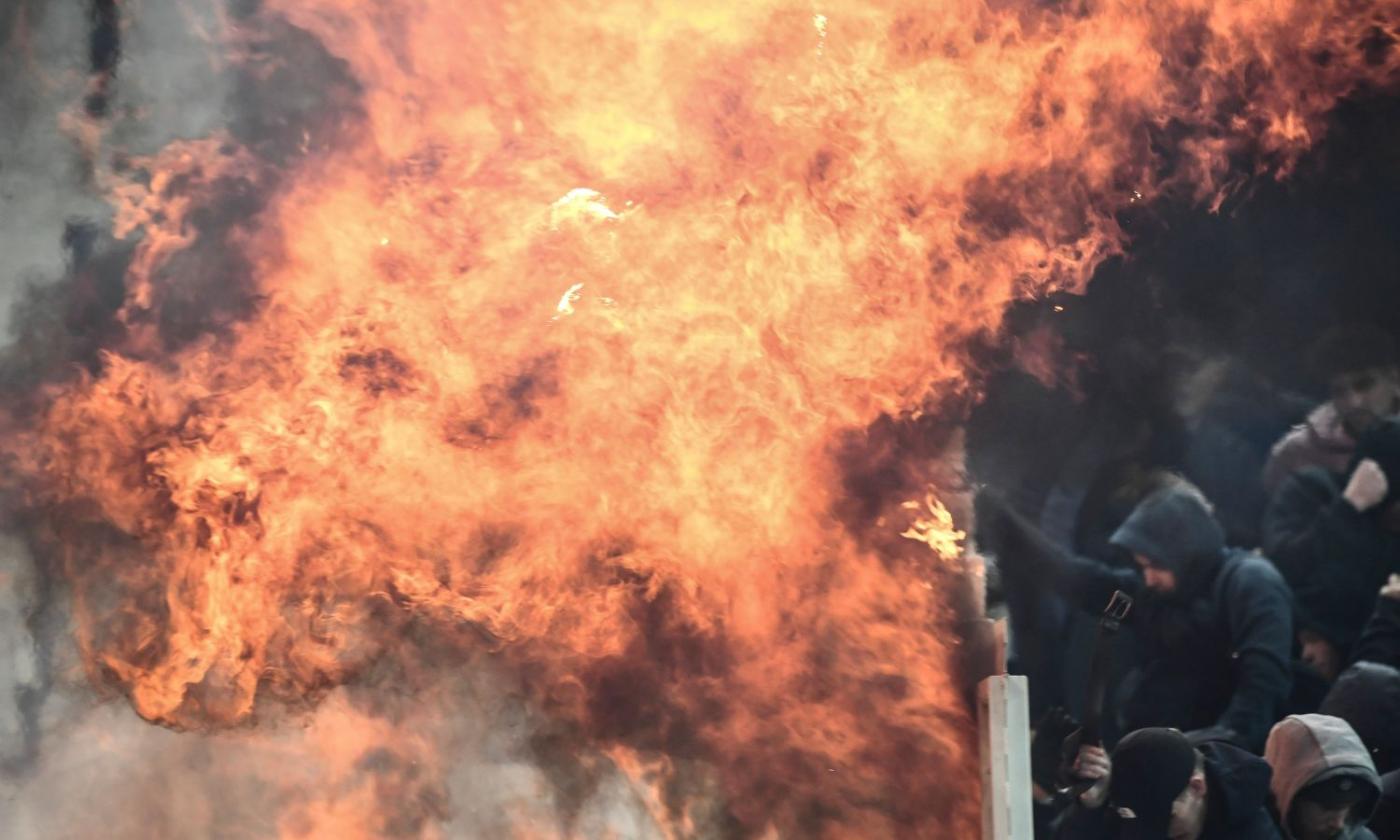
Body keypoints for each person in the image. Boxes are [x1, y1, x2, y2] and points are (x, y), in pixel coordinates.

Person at [978, 479, 1293, 752]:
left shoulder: (1250, 582)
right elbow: (1081, 581)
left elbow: (1262, 686)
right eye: (1143, 568)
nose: (1149, 579)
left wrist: (1206, 749)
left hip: (1225, 762)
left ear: (1186, 551)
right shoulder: (1164, 597)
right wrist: (1003, 522)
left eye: (1155, 566)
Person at [1263, 424, 1400, 681]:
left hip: (1359, 665)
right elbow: (1283, 565)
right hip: (1288, 642)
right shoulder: (1311, 491)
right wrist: (1348, 509)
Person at [1055, 727, 1280, 839]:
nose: (1164, 833)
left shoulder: (1250, 824)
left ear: (1197, 787)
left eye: (1167, 816)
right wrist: (1091, 807)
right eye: (1148, 821)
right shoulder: (1133, 811)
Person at [1263, 326, 1400, 495]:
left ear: (1395, 380)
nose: (1353, 403)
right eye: (1340, 391)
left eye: (1364, 385)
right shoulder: (1294, 455)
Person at [1264, 714, 1381, 840]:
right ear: (1287, 793)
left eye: (1350, 806)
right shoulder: (1248, 829)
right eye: (1327, 808)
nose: (1338, 824)